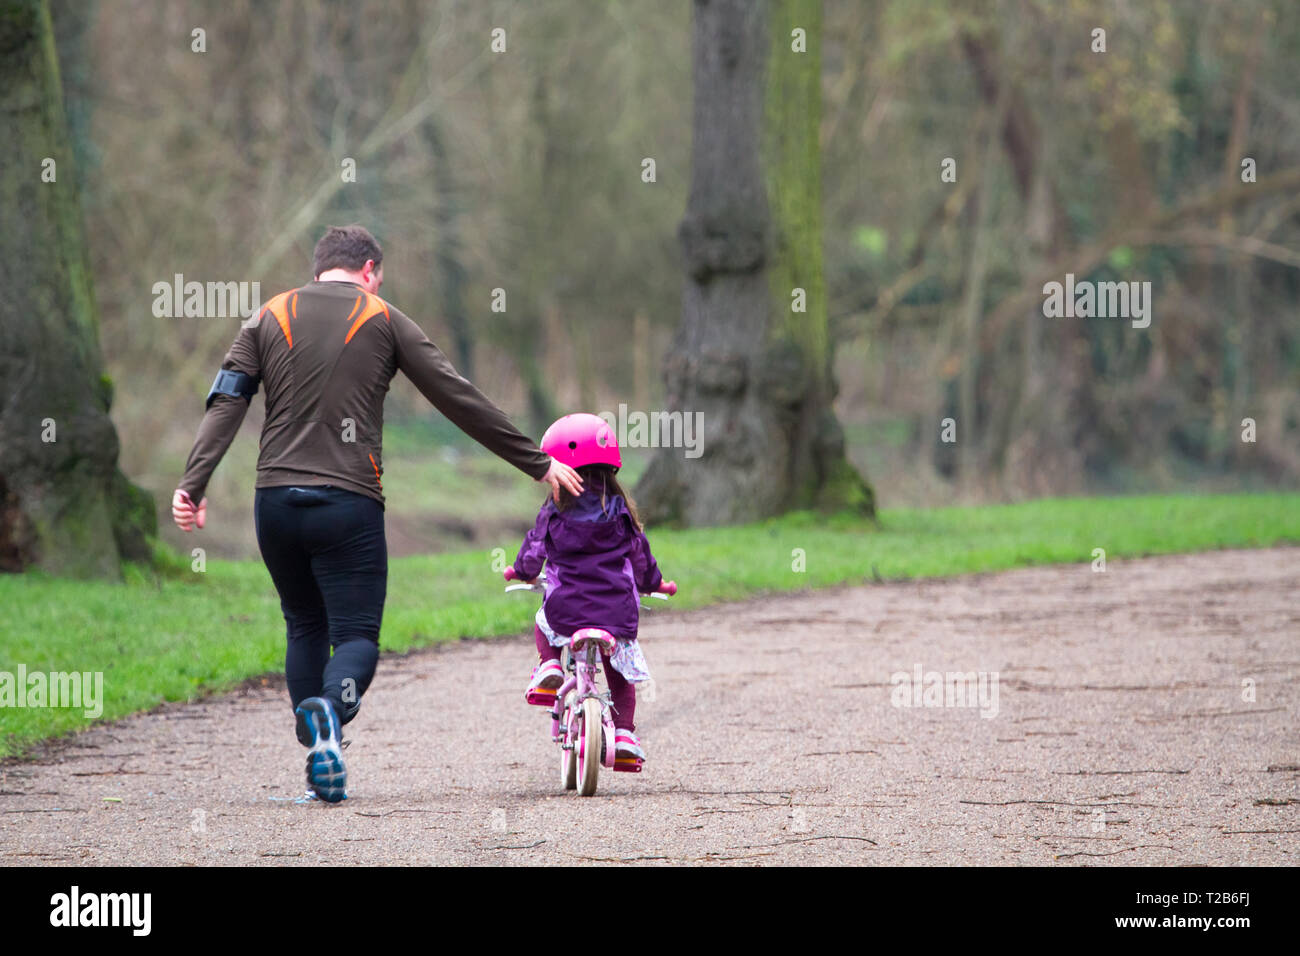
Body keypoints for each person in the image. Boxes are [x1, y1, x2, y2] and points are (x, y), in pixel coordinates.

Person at [170, 224, 582, 802]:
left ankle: (320, 751)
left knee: (303, 623)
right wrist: (537, 463)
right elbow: (455, 395)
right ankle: (330, 719)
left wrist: (193, 482)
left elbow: (225, 401)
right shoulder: (382, 317)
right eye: (378, 278)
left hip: (276, 503)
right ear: (368, 271)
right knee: (357, 636)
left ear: (319, 269)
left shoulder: (267, 316)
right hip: (348, 502)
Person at [507, 412, 669, 763]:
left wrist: (521, 572)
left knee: (542, 622)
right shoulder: (622, 512)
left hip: (566, 609)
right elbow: (640, 557)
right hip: (617, 612)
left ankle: (550, 666)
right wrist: (656, 583)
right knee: (620, 671)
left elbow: (535, 549)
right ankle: (624, 733)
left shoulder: (554, 511)